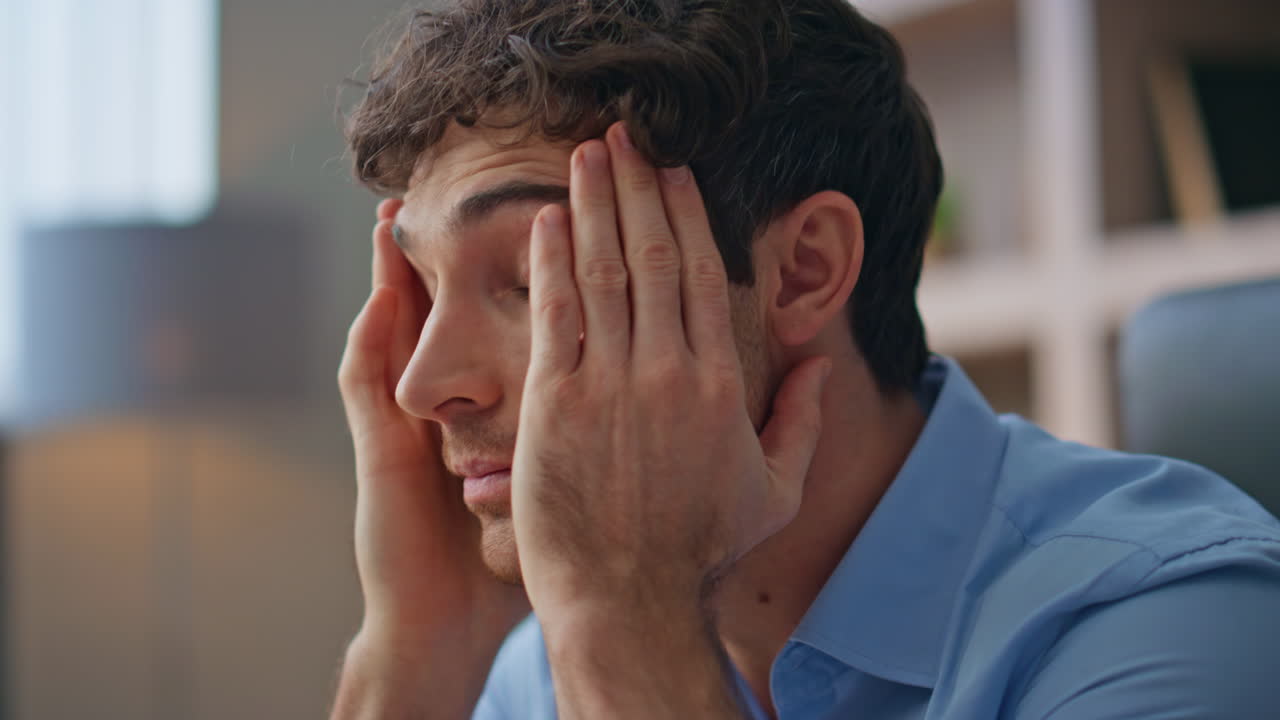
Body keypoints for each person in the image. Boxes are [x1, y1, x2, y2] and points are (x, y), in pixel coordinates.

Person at [329, 1, 1280, 718]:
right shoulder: (535, 668)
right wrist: (416, 656)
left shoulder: (1175, 626)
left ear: (804, 271)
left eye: (533, 277)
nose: (424, 384)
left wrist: (629, 634)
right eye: (428, 289)